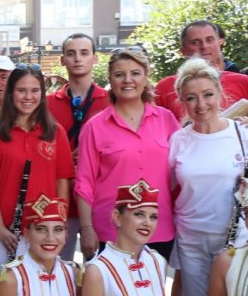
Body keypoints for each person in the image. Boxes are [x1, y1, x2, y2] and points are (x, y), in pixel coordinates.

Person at [168, 59, 248, 296]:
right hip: (191, 238)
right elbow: (167, 187)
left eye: (208, 94)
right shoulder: (178, 139)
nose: (201, 104)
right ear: (182, 102)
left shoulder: (245, 133)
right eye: (191, 98)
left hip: (236, 238)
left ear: (220, 93)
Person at [75, 49, 179, 262]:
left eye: (135, 73)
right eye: (119, 74)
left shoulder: (166, 119)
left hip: (159, 229)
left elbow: (187, 163)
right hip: (111, 231)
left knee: (153, 294)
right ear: (110, 79)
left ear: (146, 77)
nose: (127, 80)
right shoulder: (95, 127)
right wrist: (86, 228)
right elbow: (84, 183)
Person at [0, 66, 74, 279]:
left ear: (42, 93)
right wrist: (0, 227)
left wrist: (59, 224)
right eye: (22, 90)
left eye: (35, 90)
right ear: (11, 93)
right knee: (6, 287)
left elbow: (62, 181)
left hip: (43, 227)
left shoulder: (55, 132)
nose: (28, 97)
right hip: (5, 228)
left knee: (40, 286)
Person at [49, 34, 111, 258]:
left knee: (98, 273)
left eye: (84, 53)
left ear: (95, 59)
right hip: (59, 198)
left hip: (99, 199)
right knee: (57, 271)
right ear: (62, 60)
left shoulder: (111, 101)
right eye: (71, 53)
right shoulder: (46, 104)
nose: (78, 59)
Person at [0, 195, 80, 296]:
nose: (50, 238)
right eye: (41, 229)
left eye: (58, 229)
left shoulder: (75, 275)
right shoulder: (10, 279)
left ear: (66, 235)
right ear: (27, 234)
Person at [154, 21, 248, 122]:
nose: (204, 46)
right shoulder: (164, 88)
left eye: (209, 40)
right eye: (195, 42)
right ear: (183, 51)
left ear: (219, 43)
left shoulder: (243, 82)